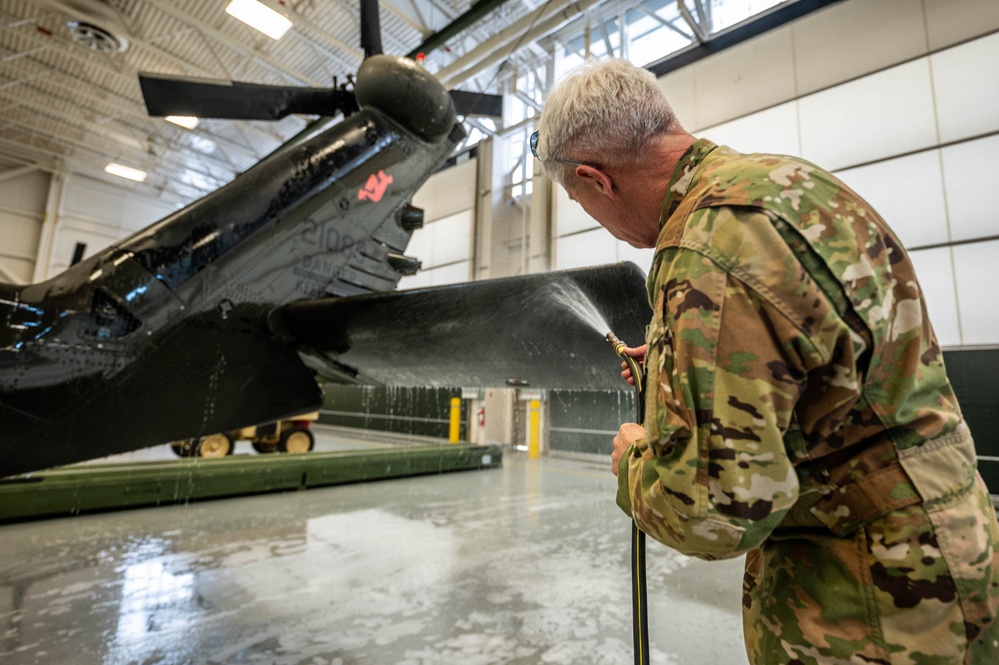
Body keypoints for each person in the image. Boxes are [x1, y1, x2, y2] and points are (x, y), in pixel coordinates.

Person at [533, 58, 999, 664]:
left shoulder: (702, 249)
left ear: (597, 180)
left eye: (580, 200)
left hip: (868, 607)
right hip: (954, 552)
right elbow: (821, 366)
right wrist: (683, 367)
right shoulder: (793, 185)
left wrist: (632, 463)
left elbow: (718, 511)